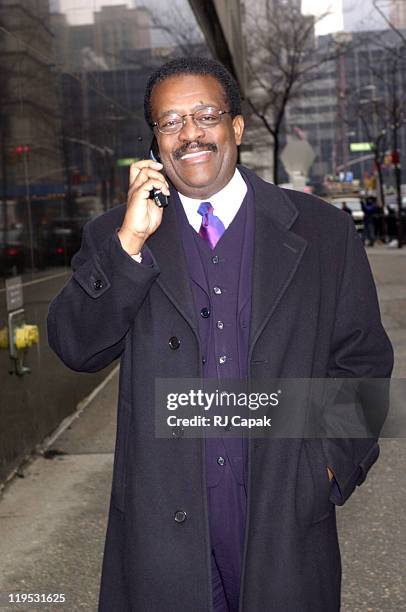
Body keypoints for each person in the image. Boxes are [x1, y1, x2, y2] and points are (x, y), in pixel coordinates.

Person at [47, 58, 393, 612]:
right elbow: (75, 347)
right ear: (156, 143)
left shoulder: (323, 231)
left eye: (205, 115)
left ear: (236, 127)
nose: (190, 133)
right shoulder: (118, 234)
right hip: (163, 530)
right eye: (170, 122)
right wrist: (128, 245)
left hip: (282, 515)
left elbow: (363, 364)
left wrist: (327, 465)